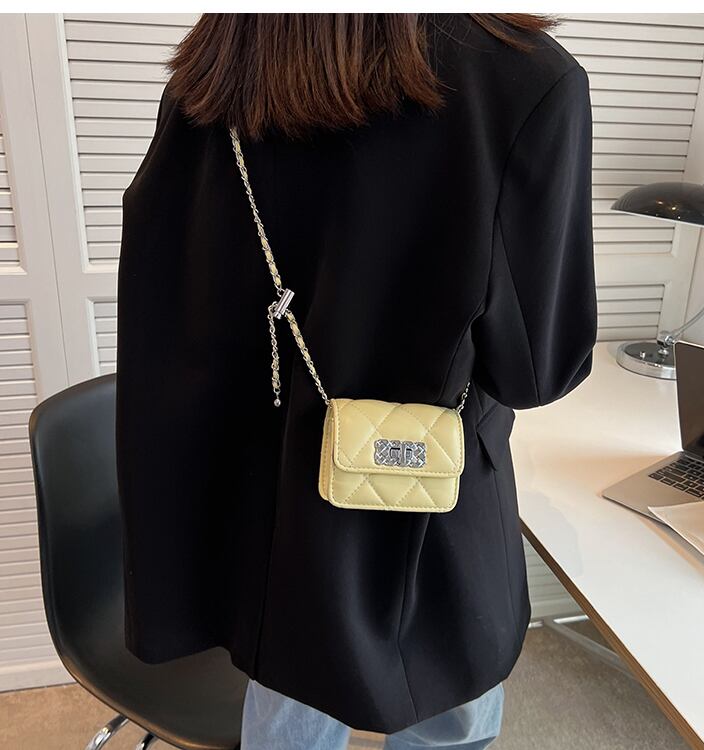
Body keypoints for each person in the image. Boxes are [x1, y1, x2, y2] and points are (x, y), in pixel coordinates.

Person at [115, 13, 596, 749]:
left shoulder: (217, 69)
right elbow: (539, 369)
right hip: (431, 517)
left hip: (267, 522)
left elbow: (173, 306)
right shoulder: (525, 80)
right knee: (450, 716)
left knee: (284, 706)